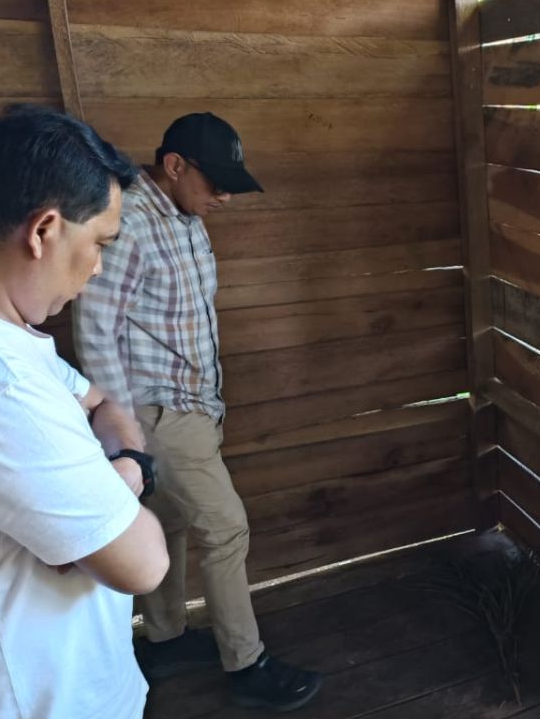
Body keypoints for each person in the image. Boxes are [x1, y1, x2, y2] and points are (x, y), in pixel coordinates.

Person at [73, 112, 321, 711]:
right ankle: (246, 663)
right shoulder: (129, 220)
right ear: (175, 165)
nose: (226, 195)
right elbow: (96, 327)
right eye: (216, 181)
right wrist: (126, 433)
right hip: (156, 413)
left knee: (172, 524)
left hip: (192, 406)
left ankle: (164, 639)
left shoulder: (185, 218)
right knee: (225, 527)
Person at [0, 105, 170, 718]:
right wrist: (132, 475)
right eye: (98, 244)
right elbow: (143, 563)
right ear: (43, 230)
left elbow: (101, 402)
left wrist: (116, 471)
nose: (96, 270)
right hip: (41, 699)